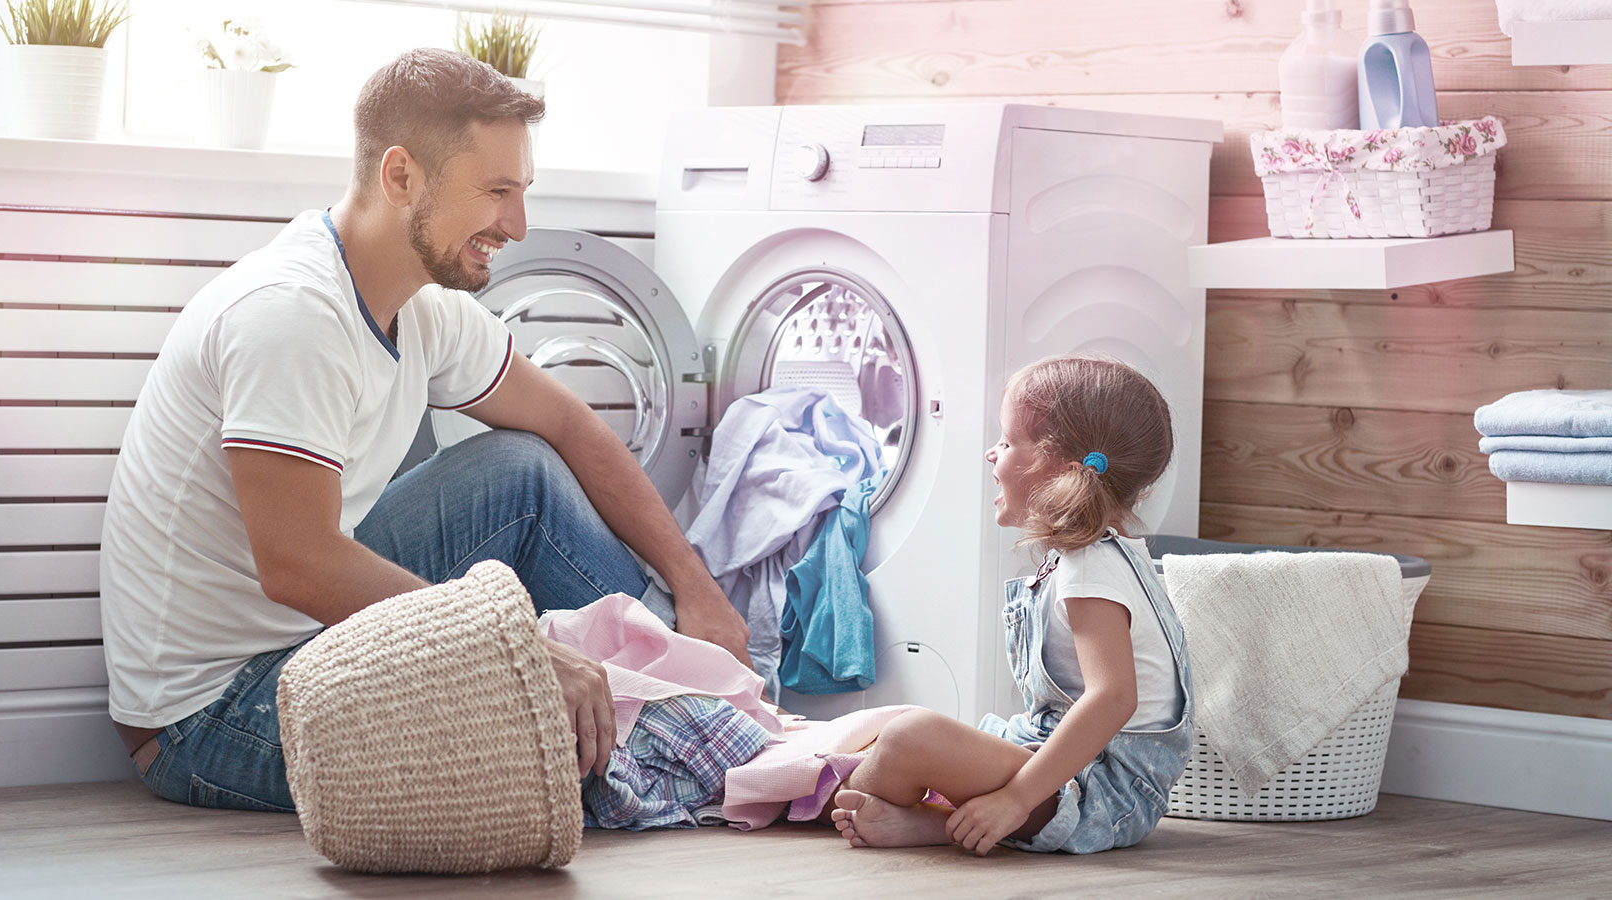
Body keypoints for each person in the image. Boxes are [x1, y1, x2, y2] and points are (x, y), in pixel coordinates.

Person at [98, 47, 749, 812]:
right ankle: (713, 741)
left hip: (305, 641)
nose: (517, 223)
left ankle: (703, 689)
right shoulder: (292, 315)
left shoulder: (422, 305)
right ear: (400, 175)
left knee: (521, 469)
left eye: (523, 190)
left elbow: (569, 425)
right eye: (497, 191)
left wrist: (697, 588)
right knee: (545, 741)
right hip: (211, 714)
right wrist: (519, 658)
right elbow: (299, 566)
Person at [828, 355, 1193, 855]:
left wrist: (1017, 798)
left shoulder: (1092, 564)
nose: (990, 454)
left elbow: (1113, 698)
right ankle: (933, 824)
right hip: (1067, 764)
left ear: (1055, 468)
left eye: (1005, 442)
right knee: (896, 731)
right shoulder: (1087, 555)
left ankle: (813, 798)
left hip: (1106, 792)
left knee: (909, 736)